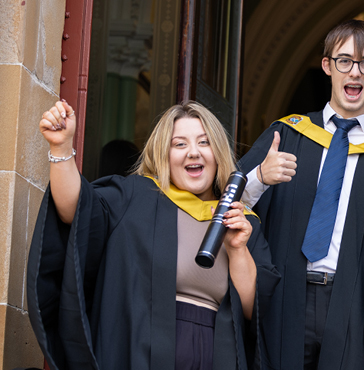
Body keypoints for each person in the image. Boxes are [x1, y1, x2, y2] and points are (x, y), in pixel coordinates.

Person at [27, 100, 279, 370]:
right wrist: (61, 147)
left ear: (217, 153)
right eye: (179, 144)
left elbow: (254, 309)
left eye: (204, 142)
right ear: (163, 154)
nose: (193, 152)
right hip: (139, 354)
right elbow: (73, 211)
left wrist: (238, 249)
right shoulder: (135, 197)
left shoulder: (241, 222)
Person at [237, 20, 364, 370]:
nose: (355, 72)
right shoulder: (288, 134)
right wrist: (260, 176)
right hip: (286, 294)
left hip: (352, 301)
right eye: (344, 60)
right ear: (327, 65)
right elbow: (233, 206)